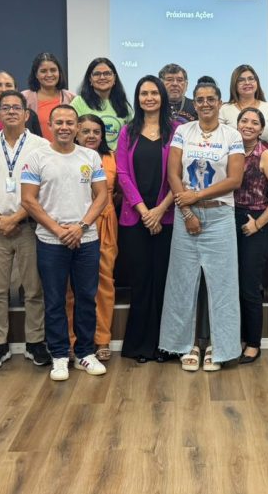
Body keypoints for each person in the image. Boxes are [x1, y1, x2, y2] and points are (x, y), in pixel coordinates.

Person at [159, 81, 245, 372]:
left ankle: (220, 349)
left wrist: (197, 195)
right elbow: (172, 173)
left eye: (211, 99)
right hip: (188, 217)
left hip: (220, 217)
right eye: (199, 99)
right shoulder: (183, 132)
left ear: (220, 102)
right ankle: (188, 345)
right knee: (182, 283)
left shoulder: (232, 135)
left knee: (222, 286)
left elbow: (234, 180)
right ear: (193, 104)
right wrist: (187, 210)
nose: (205, 103)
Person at [20, 104, 110, 381]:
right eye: (59, 122)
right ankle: (59, 355)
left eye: (70, 123)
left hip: (87, 239)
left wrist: (81, 227)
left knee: (86, 297)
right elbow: (28, 200)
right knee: (55, 299)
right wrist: (59, 230)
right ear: (50, 125)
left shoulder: (90, 156)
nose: (65, 127)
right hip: (50, 240)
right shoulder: (36, 158)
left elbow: (102, 196)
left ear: (77, 127)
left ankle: (85, 353)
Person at [0, 91, 50, 371]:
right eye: (5, 108)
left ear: (27, 114)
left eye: (17, 108)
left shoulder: (42, 146)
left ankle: (35, 342)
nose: (11, 112)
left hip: (29, 225)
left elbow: (43, 189)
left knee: (33, 288)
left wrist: (16, 217)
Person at [117, 77, 179, 363]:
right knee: (141, 281)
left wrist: (159, 210)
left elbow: (180, 176)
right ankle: (140, 346)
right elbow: (123, 175)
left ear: (163, 97)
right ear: (137, 98)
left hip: (167, 218)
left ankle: (165, 345)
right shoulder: (127, 132)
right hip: (135, 219)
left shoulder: (177, 130)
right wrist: (145, 211)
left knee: (165, 281)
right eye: (144, 93)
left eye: (155, 92)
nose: (150, 97)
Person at [233, 107, 268, 364]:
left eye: (254, 122)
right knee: (228, 285)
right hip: (225, 221)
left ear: (261, 128)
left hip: (255, 221)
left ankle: (253, 342)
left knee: (249, 285)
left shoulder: (266, 155)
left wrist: (258, 223)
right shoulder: (229, 150)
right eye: (244, 120)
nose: (248, 125)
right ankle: (232, 339)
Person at [68, 113, 118, 362]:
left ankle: (102, 339)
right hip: (71, 223)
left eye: (96, 132)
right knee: (69, 286)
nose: (90, 136)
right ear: (76, 131)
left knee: (103, 283)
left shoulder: (109, 158)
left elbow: (116, 192)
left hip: (104, 224)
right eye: (85, 131)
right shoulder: (65, 156)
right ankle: (70, 340)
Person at [70, 57, 132, 151]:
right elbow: (70, 132)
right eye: (97, 74)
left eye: (107, 73)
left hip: (116, 161)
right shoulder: (79, 102)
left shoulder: (124, 105)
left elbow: (132, 135)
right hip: (85, 159)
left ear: (114, 78)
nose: (102, 77)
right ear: (90, 79)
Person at [219, 64, 268, 142]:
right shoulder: (224, 110)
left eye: (251, 79)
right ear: (234, 84)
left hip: (266, 153)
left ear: (257, 82)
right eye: (241, 80)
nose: (247, 83)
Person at [22, 52, 76, 142]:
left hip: (65, 152)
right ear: (36, 74)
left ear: (59, 72)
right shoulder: (24, 98)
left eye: (53, 70)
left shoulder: (72, 98)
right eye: (43, 71)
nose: (49, 74)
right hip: (35, 153)